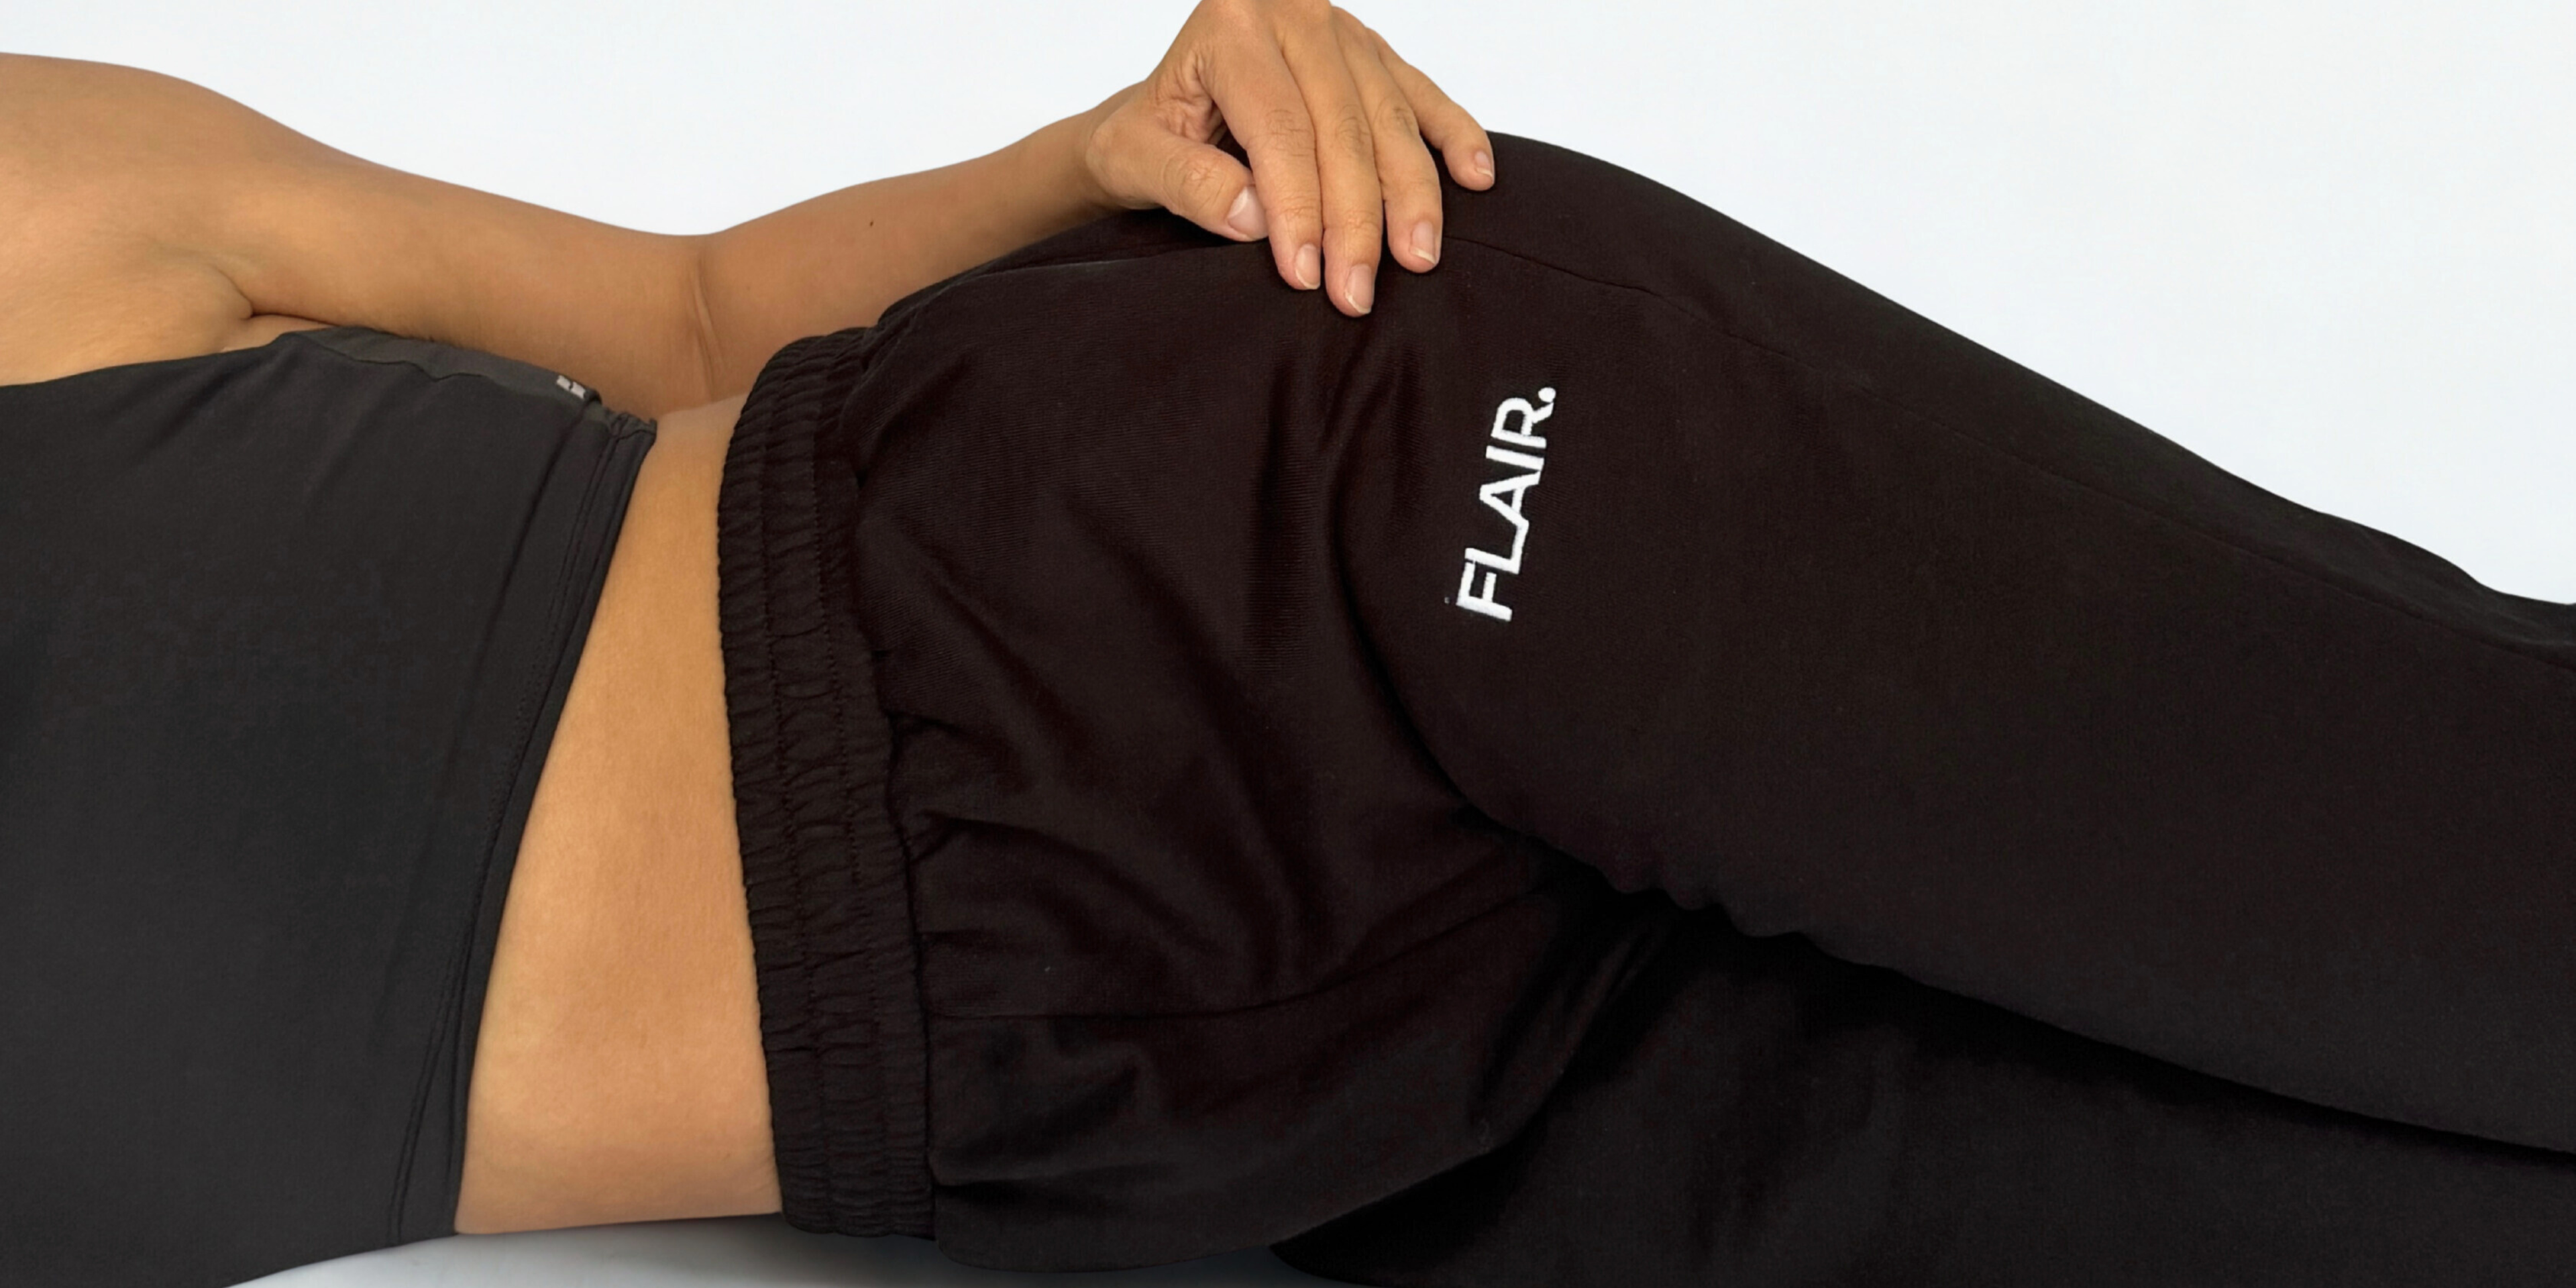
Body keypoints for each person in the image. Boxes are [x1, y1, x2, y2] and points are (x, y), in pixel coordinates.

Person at [7, 7, 2576, 1287]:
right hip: (1109, 1104)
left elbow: (685, 316)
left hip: (1256, 537)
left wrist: (1109, 141)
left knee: (2488, 894)